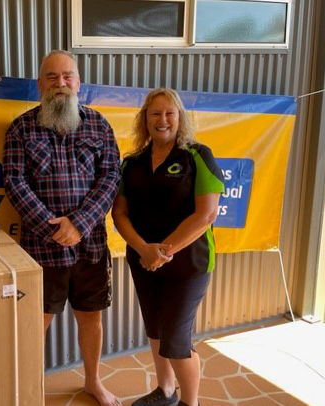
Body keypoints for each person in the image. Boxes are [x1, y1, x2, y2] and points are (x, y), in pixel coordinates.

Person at [3, 50, 120, 406]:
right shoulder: (21, 128)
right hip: (41, 249)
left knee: (91, 320)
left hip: (91, 247)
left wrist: (80, 224)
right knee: (33, 325)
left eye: (67, 76)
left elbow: (111, 176)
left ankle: (93, 382)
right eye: (52, 77)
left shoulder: (99, 125)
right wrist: (54, 228)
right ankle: (28, 390)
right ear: (40, 84)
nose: (61, 83)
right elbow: (14, 180)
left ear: (78, 83)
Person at [111, 88, 224, 406]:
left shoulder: (197, 155)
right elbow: (119, 213)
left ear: (180, 117)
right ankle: (165, 391)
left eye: (169, 113)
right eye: (155, 114)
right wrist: (145, 250)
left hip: (189, 264)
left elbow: (206, 214)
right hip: (144, 261)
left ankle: (191, 402)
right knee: (156, 330)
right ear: (144, 120)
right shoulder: (131, 163)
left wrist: (162, 252)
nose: (162, 120)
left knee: (175, 339)